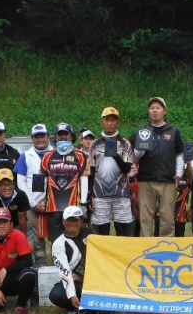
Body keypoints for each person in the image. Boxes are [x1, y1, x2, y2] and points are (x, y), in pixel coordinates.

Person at [132, 97, 184, 237]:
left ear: (164, 111)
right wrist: (141, 147)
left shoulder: (173, 131)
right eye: (152, 108)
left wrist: (178, 173)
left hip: (168, 180)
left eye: (158, 108)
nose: (155, 110)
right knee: (145, 217)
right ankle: (146, 248)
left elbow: (179, 154)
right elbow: (134, 157)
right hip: (145, 180)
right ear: (149, 111)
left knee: (167, 218)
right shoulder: (143, 131)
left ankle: (166, 247)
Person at [88, 107, 135, 237]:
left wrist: (114, 154)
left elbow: (126, 169)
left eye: (113, 120)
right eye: (107, 120)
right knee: (102, 233)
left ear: (117, 122)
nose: (109, 123)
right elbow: (91, 171)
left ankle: (122, 256)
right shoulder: (94, 144)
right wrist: (90, 194)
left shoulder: (125, 144)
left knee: (122, 231)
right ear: (102, 121)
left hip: (120, 193)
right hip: (99, 194)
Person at [12, 124, 53, 267]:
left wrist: (49, 202)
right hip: (33, 205)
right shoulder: (25, 156)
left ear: (48, 137)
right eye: (37, 136)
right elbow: (20, 183)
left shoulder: (56, 154)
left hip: (54, 204)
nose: (40, 139)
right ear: (32, 138)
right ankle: (40, 268)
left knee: (57, 237)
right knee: (36, 238)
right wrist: (33, 204)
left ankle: (59, 267)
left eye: (43, 136)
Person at [41, 122, 87, 242]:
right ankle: (57, 260)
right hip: (52, 206)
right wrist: (39, 201)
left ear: (71, 136)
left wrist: (83, 203)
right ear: (55, 137)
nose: (62, 137)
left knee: (75, 236)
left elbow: (84, 178)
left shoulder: (81, 155)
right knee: (55, 239)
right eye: (59, 134)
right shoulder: (47, 156)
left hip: (73, 204)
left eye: (65, 134)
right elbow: (41, 180)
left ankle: (76, 260)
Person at [49, 206, 93, 314]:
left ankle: (87, 308)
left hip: (94, 282)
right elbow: (65, 272)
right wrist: (72, 295)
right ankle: (72, 308)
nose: (72, 223)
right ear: (63, 222)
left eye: (75, 220)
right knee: (57, 294)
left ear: (81, 221)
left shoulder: (91, 235)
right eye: (69, 220)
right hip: (76, 282)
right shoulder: (58, 244)